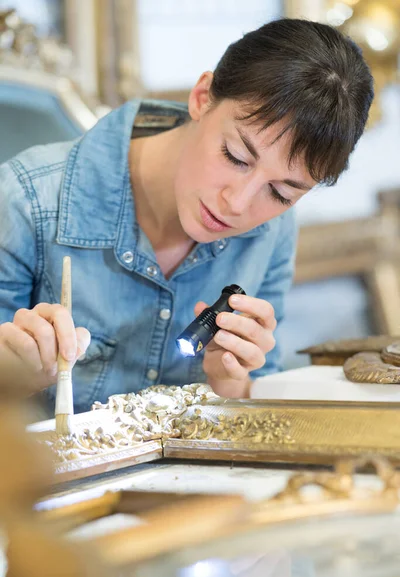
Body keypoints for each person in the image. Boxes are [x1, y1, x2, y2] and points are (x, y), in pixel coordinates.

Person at [0, 18, 373, 414]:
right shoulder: (26, 200)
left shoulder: (273, 232)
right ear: (201, 97)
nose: (238, 203)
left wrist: (231, 381)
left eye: (280, 193)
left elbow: (256, 399)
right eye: (236, 157)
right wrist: (16, 371)